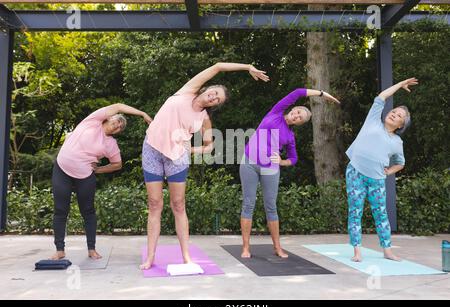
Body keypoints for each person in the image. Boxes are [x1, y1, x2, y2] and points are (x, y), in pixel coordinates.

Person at [140, 62, 270, 270]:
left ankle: (186, 257)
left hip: (177, 158)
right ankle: (150, 257)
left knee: (178, 205)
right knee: (155, 204)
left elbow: (209, 147)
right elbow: (218, 66)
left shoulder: (204, 119)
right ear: (208, 88)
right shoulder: (186, 91)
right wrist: (247, 67)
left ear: (214, 104)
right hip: (152, 150)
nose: (214, 97)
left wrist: (191, 150)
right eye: (215, 92)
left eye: (218, 99)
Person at [240, 88, 340, 258]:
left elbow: (293, 158)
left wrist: (282, 161)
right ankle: (246, 248)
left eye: (301, 118)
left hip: (270, 169)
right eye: (298, 112)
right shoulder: (276, 112)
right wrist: (322, 94)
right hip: (249, 163)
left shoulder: (290, 136)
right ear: (293, 109)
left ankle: (277, 247)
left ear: (299, 123)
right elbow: (298, 92)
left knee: (271, 206)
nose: (297, 116)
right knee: (248, 204)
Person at [51, 104, 152, 260]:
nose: (118, 125)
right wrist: (142, 113)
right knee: (60, 210)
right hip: (62, 169)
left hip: (85, 176)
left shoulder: (110, 144)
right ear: (109, 117)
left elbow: (117, 164)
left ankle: (91, 249)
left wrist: (99, 170)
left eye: (120, 127)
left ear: (118, 132)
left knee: (88, 212)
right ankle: (59, 250)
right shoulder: (93, 121)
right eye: (118, 121)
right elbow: (118, 106)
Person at [346, 78, 417, 262]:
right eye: (394, 111)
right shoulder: (373, 120)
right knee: (355, 211)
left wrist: (388, 172)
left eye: (399, 116)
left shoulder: (397, 142)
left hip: (376, 180)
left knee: (381, 214)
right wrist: (400, 84)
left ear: (401, 125)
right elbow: (382, 96)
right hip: (355, 172)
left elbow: (400, 163)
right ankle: (357, 251)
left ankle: (387, 250)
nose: (394, 114)